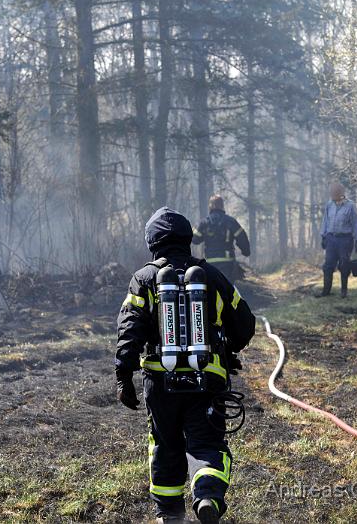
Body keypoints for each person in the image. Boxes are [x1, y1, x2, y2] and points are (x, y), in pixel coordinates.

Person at [115, 207, 256, 524]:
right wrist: (226, 349)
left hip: (159, 382)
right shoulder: (212, 277)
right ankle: (206, 496)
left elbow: (129, 330)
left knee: (165, 445)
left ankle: (170, 516)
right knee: (207, 443)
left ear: (152, 241)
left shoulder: (143, 279)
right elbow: (245, 324)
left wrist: (123, 376)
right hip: (206, 380)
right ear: (187, 238)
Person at [317, 182, 357, 298]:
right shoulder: (329, 205)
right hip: (331, 238)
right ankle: (326, 291)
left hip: (345, 239)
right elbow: (325, 221)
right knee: (328, 265)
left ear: (341, 193)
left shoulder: (350, 206)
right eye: (331, 193)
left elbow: (356, 223)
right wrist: (323, 236)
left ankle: (344, 291)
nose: (332, 195)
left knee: (344, 265)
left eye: (334, 193)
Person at [192, 195, 250, 282]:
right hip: (227, 263)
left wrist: (193, 229)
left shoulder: (204, 222)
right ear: (222, 206)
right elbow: (242, 238)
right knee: (227, 289)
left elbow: (195, 240)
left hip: (210, 263)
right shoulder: (230, 221)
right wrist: (246, 252)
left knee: (212, 288)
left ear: (210, 206)